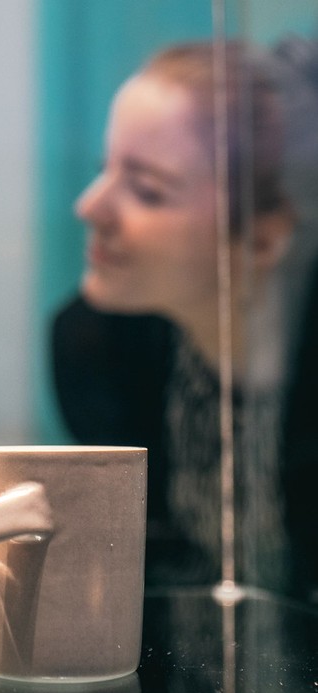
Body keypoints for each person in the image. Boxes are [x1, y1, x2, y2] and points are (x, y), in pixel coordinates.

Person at [51, 38, 318, 601]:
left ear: (266, 238)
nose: (90, 207)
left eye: (146, 191)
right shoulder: (94, 346)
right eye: (106, 170)